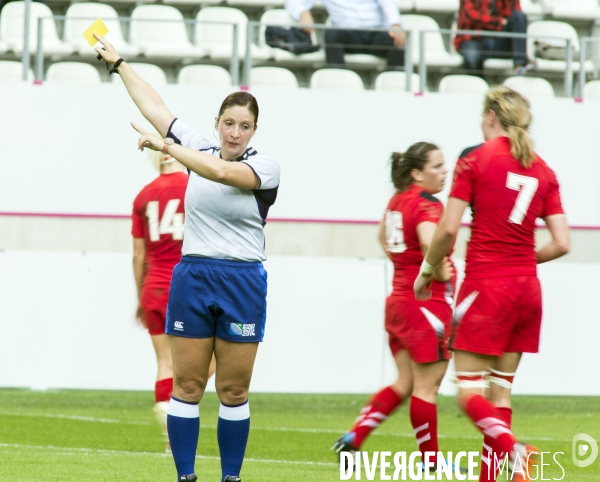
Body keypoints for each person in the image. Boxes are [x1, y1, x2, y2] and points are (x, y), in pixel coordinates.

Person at [95, 35, 281, 482]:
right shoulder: (202, 146)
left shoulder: (265, 167)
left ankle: (231, 477)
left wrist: (167, 148)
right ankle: (185, 476)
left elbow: (218, 172)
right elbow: (155, 107)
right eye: (229, 123)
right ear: (217, 123)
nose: (235, 133)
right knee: (188, 386)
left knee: (233, 389)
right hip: (193, 276)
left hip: (242, 279)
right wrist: (119, 63)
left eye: (245, 126)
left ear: (254, 130)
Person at [414, 85, 569, 482]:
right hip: (527, 290)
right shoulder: (544, 169)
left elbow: (447, 229)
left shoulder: (475, 160)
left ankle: (514, 452)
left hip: (487, 286)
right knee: (499, 392)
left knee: (467, 391)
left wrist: (427, 270)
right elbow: (562, 243)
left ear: (489, 117)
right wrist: (522, 259)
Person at [332, 143, 456, 473]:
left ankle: (355, 435)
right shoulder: (427, 203)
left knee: (404, 382)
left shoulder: (396, 201)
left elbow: (382, 237)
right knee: (427, 387)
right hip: (427, 304)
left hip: (398, 302)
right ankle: (432, 462)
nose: (445, 171)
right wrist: (440, 270)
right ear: (417, 172)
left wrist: (404, 265)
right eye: (438, 166)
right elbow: (432, 243)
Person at [132, 150, 215, 452]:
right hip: (188, 285)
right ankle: (177, 408)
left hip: (153, 286)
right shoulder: (194, 184)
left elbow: (139, 254)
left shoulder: (144, 196)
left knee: (165, 362)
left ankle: (170, 418)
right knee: (213, 356)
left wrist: (139, 294)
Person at [285, 0, 406, 68]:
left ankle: (393, 91)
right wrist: (303, 13)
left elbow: (388, 3)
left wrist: (395, 23)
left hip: (375, 33)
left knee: (397, 39)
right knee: (331, 34)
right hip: (347, 36)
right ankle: (337, 84)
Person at [454, 0, 531, 76]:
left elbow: (514, 18)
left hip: (499, 41)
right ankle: (479, 86)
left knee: (519, 16)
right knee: (472, 57)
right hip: (473, 39)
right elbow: (470, 16)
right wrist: (499, 21)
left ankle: (520, 66)